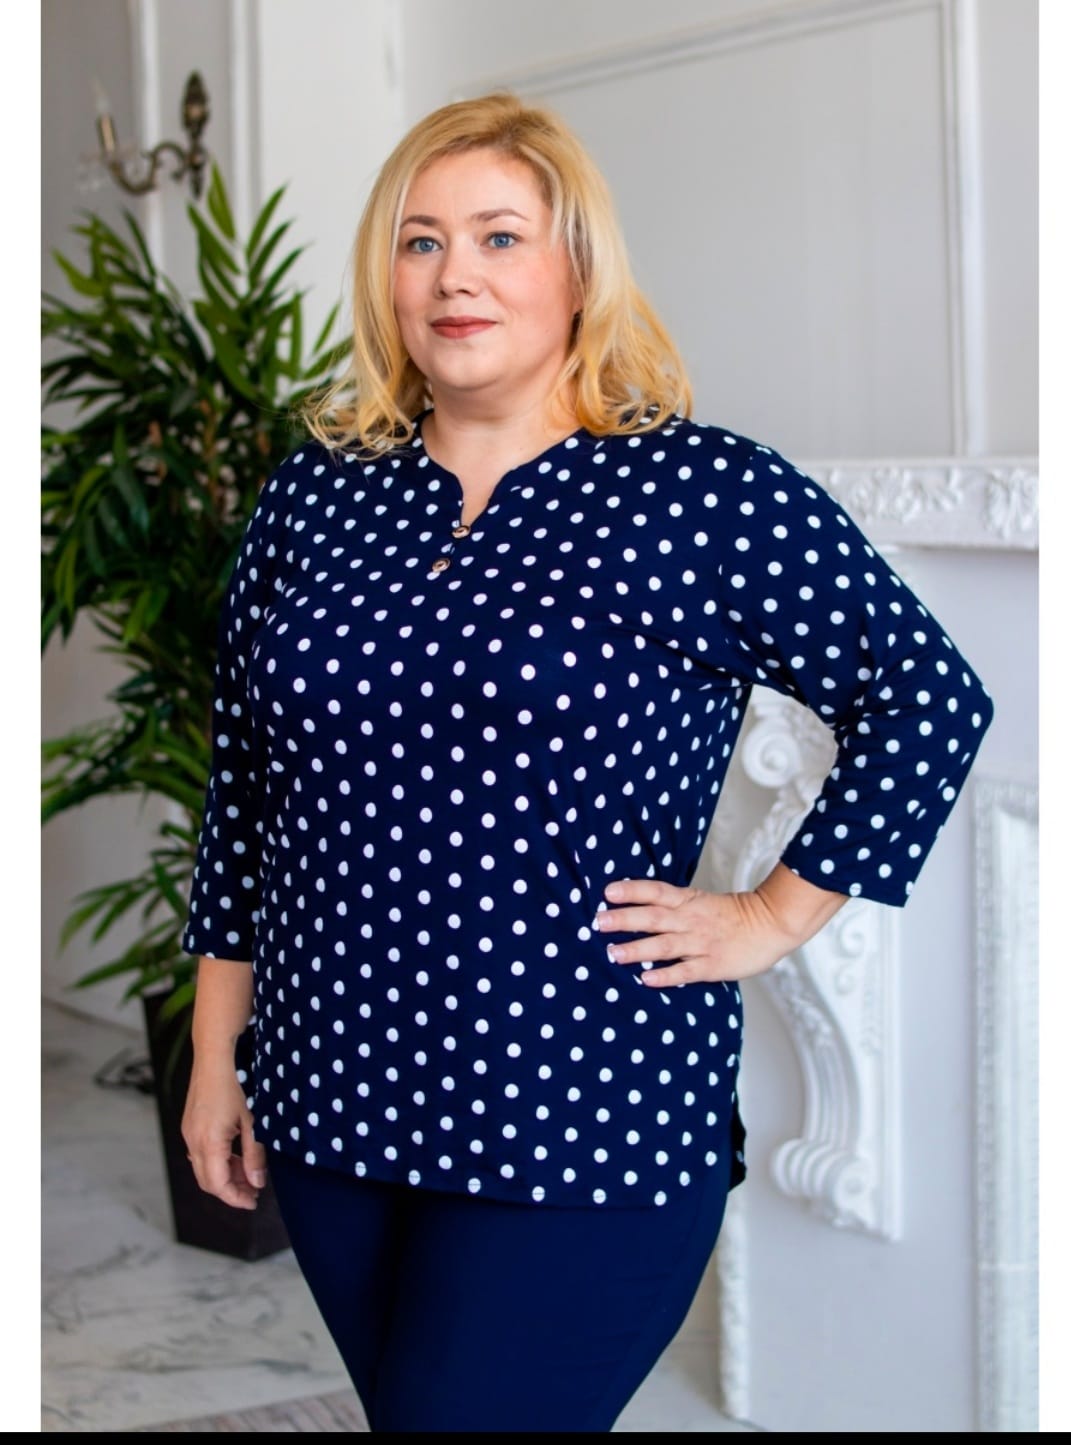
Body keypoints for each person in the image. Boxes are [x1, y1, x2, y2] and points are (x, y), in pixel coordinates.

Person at [179, 91, 994, 1432]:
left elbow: (927, 697)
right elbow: (249, 794)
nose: (456, 276)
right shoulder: (317, 493)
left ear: (578, 267)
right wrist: (219, 1049)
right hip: (332, 1096)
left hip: (578, 1108)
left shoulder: (705, 493)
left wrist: (769, 917)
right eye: (421, 241)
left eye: (499, 237)